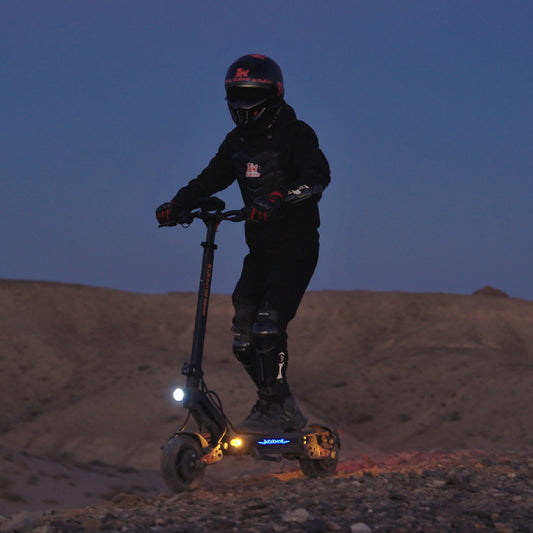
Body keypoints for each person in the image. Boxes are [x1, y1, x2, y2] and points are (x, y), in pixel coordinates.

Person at [156, 54, 330, 434]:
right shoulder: (236, 143)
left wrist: (279, 198)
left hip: (296, 248)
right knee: (243, 337)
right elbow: (208, 180)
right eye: (237, 95)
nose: (244, 104)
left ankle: (273, 408)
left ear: (274, 94)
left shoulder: (296, 134)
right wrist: (177, 204)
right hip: (261, 252)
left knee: (269, 327)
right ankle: (279, 403)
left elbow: (317, 178)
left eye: (251, 95)